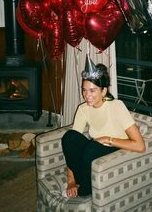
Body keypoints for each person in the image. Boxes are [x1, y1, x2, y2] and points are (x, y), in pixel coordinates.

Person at [61, 54, 146, 198]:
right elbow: (72, 147)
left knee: (92, 148)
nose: (87, 95)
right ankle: (79, 181)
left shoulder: (117, 106)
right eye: (84, 90)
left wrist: (107, 139)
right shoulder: (83, 109)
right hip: (93, 151)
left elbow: (140, 146)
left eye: (92, 90)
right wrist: (70, 180)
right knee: (69, 137)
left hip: (114, 150)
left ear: (104, 91)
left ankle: (86, 189)